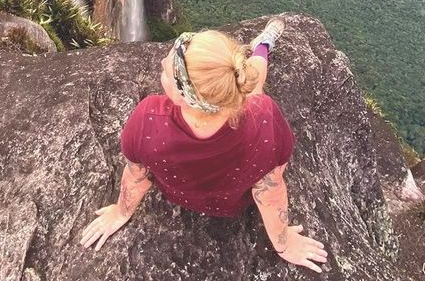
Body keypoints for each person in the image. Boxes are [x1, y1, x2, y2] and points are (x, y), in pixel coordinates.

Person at [80, 17, 328, 273]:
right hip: (235, 203)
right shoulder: (262, 115)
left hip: (177, 195)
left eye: (167, 70)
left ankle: (262, 44)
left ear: (182, 95)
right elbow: (269, 190)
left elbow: (137, 177)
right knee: (254, 88)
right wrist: (284, 244)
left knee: (253, 90)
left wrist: (121, 213)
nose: (162, 63)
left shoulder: (148, 118)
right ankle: (262, 46)